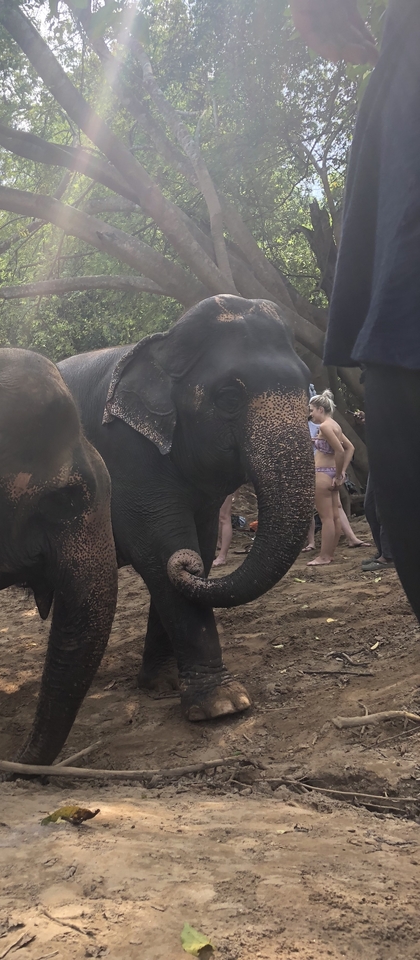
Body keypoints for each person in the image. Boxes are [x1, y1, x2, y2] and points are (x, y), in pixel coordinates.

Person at [291, 1, 420, 613]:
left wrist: (339, 473)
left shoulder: (329, 427)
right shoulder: (398, 61)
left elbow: (340, 450)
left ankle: (338, 552)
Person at [307, 390, 355, 566]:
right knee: (334, 517)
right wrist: (340, 473)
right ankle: (329, 553)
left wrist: (338, 472)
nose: (310, 413)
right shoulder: (334, 425)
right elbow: (350, 448)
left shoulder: (325, 427)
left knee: (326, 517)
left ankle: (324, 556)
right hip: (330, 474)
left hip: (322, 474)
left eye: (312, 410)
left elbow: (341, 450)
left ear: (320, 409)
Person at [213, 493, 234, 567]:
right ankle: (217, 544)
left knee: (224, 516)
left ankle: (222, 556)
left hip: (222, 484)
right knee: (213, 514)